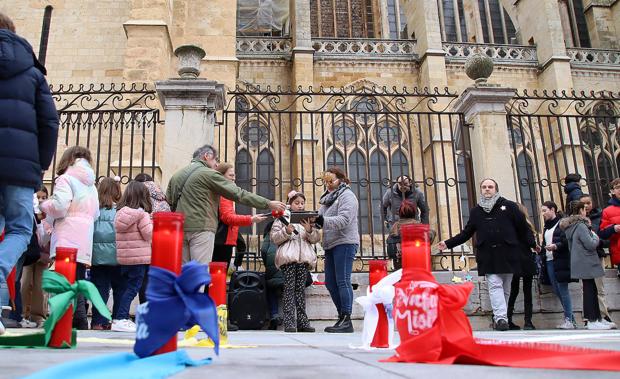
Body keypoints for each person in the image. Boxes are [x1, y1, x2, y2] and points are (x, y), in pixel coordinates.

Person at [0, 12, 59, 334]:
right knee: (20, 231)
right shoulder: (31, 72)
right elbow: (49, 122)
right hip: (20, 169)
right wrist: (39, 166)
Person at [437, 179, 533, 331]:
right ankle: (501, 318)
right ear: (480, 190)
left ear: (496, 189)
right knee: (495, 284)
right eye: (484, 187)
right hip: (488, 254)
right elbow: (466, 233)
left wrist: (532, 244)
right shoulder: (476, 211)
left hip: (508, 253)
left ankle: (502, 316)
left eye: (490, 187)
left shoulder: (509, 206)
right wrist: (448, 244)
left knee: (506, 287)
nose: (487, 189)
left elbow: (523, 228)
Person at [165, 145, 285, 265]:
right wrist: (267, 203)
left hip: (180, 228)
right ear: (207, 156)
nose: (216, 165)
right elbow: (239, 194)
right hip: (201, 229)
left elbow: (169, 202)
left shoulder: (176, 176)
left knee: (185, 272)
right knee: (199, 272)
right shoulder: (208, 174)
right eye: (215, 160)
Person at [40, 146, 99, 330]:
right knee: (78, 277)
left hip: (67, 233)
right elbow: (95, 213)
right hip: (84, 235)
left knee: (65, 278)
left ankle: (73, 317)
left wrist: (44, 205)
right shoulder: (91, 185)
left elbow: (59, 206)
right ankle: (80, 318)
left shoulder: (65, 179)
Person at [316, 167, 359, 333]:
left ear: (341, 180)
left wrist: (322, 220)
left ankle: (347, 319)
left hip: (345, 242)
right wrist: (312, 223)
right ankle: (341, 316)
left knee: (342, 280)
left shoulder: (347, 196)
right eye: (326, 181)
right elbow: (322, 219)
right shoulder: (327, 199)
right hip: (331, 243)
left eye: (331, 181)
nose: (328, 184)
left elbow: (344, 220)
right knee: (330, 283)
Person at [271, 191, 320, 333]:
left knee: (300, 291)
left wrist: (310, 229)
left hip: (303, 260)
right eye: (296, 203)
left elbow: (315, 239)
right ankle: (290, 323)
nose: (300, 206)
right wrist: (286, 231)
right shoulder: (281, 218)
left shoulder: (308, 219)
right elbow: (274, 238)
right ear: (290, 204)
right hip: (289, 259)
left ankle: (303, 322)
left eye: (302, 203)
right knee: (289, 290)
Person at [561, 200, 611, 330]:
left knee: (591, 289)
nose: (586, 211)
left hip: (580, 261)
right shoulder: (581, 226)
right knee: (590, 290)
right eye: (584, 209)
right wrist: (596, 237)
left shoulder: (570, 226)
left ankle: (596, 318)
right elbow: (590, 244)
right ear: (580, 211)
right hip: (586, 260)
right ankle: (592, 319)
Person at [113, 181, 153, 332]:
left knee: (125, 288)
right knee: (133, 288)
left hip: (125, 258)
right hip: (140, 258)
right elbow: (149, 234)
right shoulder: (141, 214)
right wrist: (153, 223)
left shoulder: (120, 213)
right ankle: (121, 318)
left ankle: (118, 317)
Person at [212, 162, 267, 270]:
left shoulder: (220, 192)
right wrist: (251, 219)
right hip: (222, 241)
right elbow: (228, 218)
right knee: (218, 275)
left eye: (234, 176)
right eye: (231, 175)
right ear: (221, 176)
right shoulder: (224, 194)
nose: (234, 179)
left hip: (221, 240)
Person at [90, 177, 123, 330]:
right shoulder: (120, 212)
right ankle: (117, 319)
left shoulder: (94, 211)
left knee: (99, 290)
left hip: (97, 258)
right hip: (117, 257)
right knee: (120, 289)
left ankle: (98, 321)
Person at [580, 193, 617, 329]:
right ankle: (589, 316)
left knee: (599, 287)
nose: (586, 206)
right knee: (586, 288)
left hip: (597, 254)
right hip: (584, 257)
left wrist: (597, 241)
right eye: (583, 203)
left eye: (588, 202)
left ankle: (602, 314)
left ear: (593, 203)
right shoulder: (577, 220)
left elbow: (605, 236)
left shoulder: (599, 217)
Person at [541, 201, 576, 329]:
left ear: (553, 209)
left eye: (545, 210)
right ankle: (571, 319)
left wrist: (556, 246)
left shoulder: (562, 223)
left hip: (560, 259)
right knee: (556, 289)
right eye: (542, 211)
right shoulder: (546, 226)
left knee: (563, 289)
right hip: (550, 260)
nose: (543, 213)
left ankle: (569, 320)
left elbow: (566, 240)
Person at [134, 173, 169, 304]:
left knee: (144, 279)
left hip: (144, 242)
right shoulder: (163, 199)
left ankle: (145, 308)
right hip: (163, 243)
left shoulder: (138, 195)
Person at [21, 186, 52, 327]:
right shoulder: (29, 213)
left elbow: (49, 236)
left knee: (41, 287)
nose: (40, 200)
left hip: (43, 256)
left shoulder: (49, 217)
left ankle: (38, 316)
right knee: (25, 284)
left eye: (44, 197)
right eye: (38, 197)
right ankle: (23, 313)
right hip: (29, 255)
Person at [506, 204, 538, 330]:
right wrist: (535, 245)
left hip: (513, 260)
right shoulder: (526, 226)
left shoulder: (509, 226)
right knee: (527, 291)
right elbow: (530, 242)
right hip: (525, 259)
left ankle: (508, 318)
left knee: (512, 291)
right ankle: (528, 321)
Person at [386, 200, 437, 270]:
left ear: (400, 214)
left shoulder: (395, 226)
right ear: (413, 213)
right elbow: (428, 238)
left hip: (400, 262)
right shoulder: (417, 225)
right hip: (416, 262)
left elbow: (390, 242)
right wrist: (433, 232)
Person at [260, 219, 284, 330]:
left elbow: (264, 251)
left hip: (272, 273)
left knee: (269, 287)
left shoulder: (268, 236)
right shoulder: (286, 234)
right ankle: (291, 316)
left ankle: (274, 314)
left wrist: (268, 266)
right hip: (287, 271)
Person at [599, 178, 620, 279]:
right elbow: (602, 233)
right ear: (612, 191)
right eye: (617, 187)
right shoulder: (607, 211)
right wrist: (613, 228)